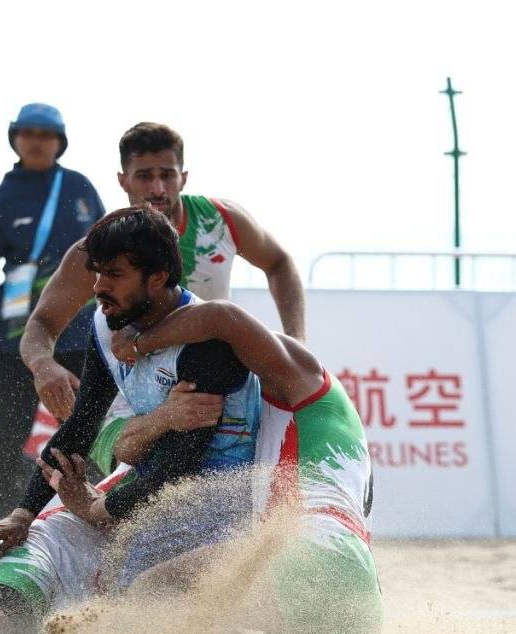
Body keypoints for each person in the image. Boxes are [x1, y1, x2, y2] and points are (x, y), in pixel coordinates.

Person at [0, 206, 260, 634]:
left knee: (136, 600)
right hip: (142, 500)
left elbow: (178, 468)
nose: (97, 287)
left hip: (217, 512)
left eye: (113, 274)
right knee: (26, 543)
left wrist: (96, 508)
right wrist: (22, 513)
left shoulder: (205, 344)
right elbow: (81, 426)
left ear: (157, 276)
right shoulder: (108, 323)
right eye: (96, 273)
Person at [19, 122, 304, 474]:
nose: (157, 189)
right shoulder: (95, 250)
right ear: (123, 180)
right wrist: (43, 365)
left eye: (167, 175)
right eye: (144, 176)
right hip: (133, 405)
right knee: (136, 485)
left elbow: (280, 263)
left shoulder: (223, 221)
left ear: (183, 177)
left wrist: (296, 337)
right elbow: (40, 325)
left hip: (210, 384)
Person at [105, 299, 383, 634]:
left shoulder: (300, 379)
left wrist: (138, 344)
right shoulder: (316, 435)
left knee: (156, 589)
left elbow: (220, 317)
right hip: (356, 593)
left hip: (314, 555)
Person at [0, 102, 105, 522]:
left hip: (81, 329)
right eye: (28, 133)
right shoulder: (1, 198)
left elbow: (108, 253)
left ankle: (98, 509)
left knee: (87, 421)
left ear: (60, 142)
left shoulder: (79, 187)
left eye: (46, 134)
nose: (37, 141)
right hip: (19, 335)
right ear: (15, 138)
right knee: (12, 427)